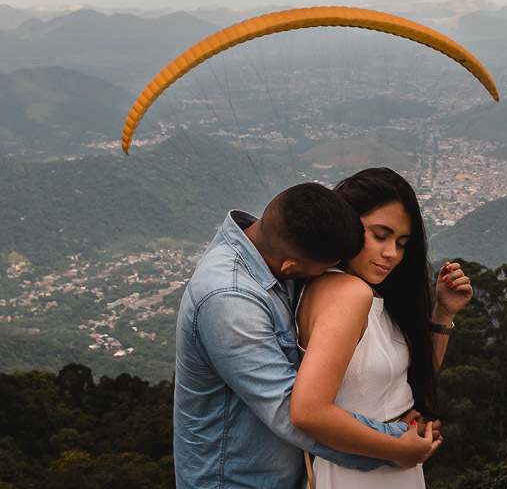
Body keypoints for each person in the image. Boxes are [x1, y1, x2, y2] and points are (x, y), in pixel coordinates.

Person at [173, 182, 438, 489]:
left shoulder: (276, 249)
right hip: (235, 481)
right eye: (321, 271)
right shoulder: (229, 299)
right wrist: (395, 442)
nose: (324, 279)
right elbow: (292, 411)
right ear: (291, 265)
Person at [291, 167, 473, 488]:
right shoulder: (349, 294)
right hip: (358, 473)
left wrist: (443, 314)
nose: (391, 254)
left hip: (384, 466)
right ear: (346, 223)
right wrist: (397, 448)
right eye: (379, 235)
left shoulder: (358, 291)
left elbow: (402, 383)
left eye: (402, 243)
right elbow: (308, 413)